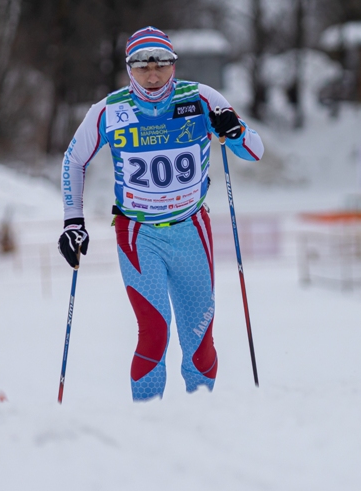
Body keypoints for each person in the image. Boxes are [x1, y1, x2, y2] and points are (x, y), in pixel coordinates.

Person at [57, 27, 264, 401]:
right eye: (141, 68)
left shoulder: (201, 98)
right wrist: (73, 222)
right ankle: (147, 429)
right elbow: (74, 159)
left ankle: (201, 421)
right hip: (139, 235)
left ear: (173, 66)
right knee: (154, 332)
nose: (152, 77)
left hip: (191, 231)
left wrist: (235, 132)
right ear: (128, 69)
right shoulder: (108, 110)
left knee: (199, 342)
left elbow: (254, 150)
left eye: (161, 66)